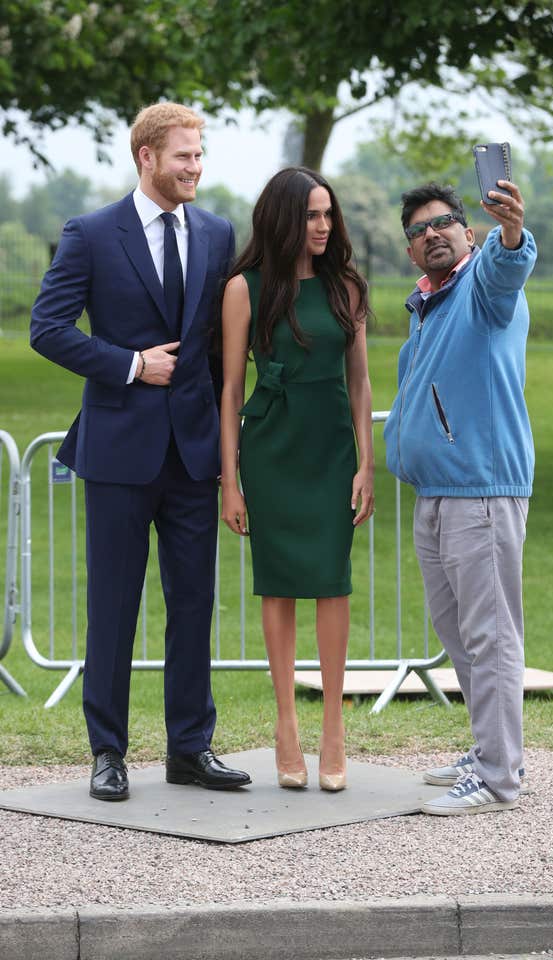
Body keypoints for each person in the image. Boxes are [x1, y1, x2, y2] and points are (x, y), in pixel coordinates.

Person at [31, 102, 250, 801]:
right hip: (119, 454)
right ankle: (108, 753)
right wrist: (130, 365)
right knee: (114, 606)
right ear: (146, 157)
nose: (196, 167)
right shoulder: (92, 234)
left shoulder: (217, 234)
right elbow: (47, 328)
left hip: (192, 455)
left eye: (200, 155)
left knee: (193, 605)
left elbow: (224, 341)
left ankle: (191, 748)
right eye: (184, 155)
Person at [383, 178, 536, 816]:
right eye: (419, 231)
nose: (433, 234)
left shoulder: (481, 286)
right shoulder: (427, 305)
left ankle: (500, 780)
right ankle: (488, 749)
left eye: (444, 222)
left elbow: (508, 267)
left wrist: (511, 231)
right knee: (457, 631)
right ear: (412, 250)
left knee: (490, 633)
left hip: (481, 488)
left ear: (467, 231)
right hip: (438, 493)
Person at [220, 167, 374, 792]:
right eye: (312, 215)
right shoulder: (244, 288)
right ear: (284, 218)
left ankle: (333, 728)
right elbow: (230, 389)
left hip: (332, 446)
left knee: (332, 583)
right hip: (272, 446)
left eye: (328, 214)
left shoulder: (347, 287)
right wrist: (229, 480)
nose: (323, 225)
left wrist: (368, 461)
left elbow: (361, 382)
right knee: (278, 584)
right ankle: (286, 724)